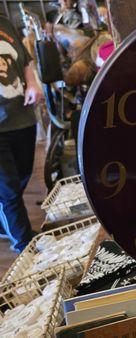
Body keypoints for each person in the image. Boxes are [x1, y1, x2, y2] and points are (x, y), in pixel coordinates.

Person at [0, 15, 43, 252]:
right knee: (9, 190)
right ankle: (24, 244)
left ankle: (10, 224)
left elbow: (24, 61)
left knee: (21, 178)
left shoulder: (5, 22)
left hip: (22, 117)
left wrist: (33, 84)